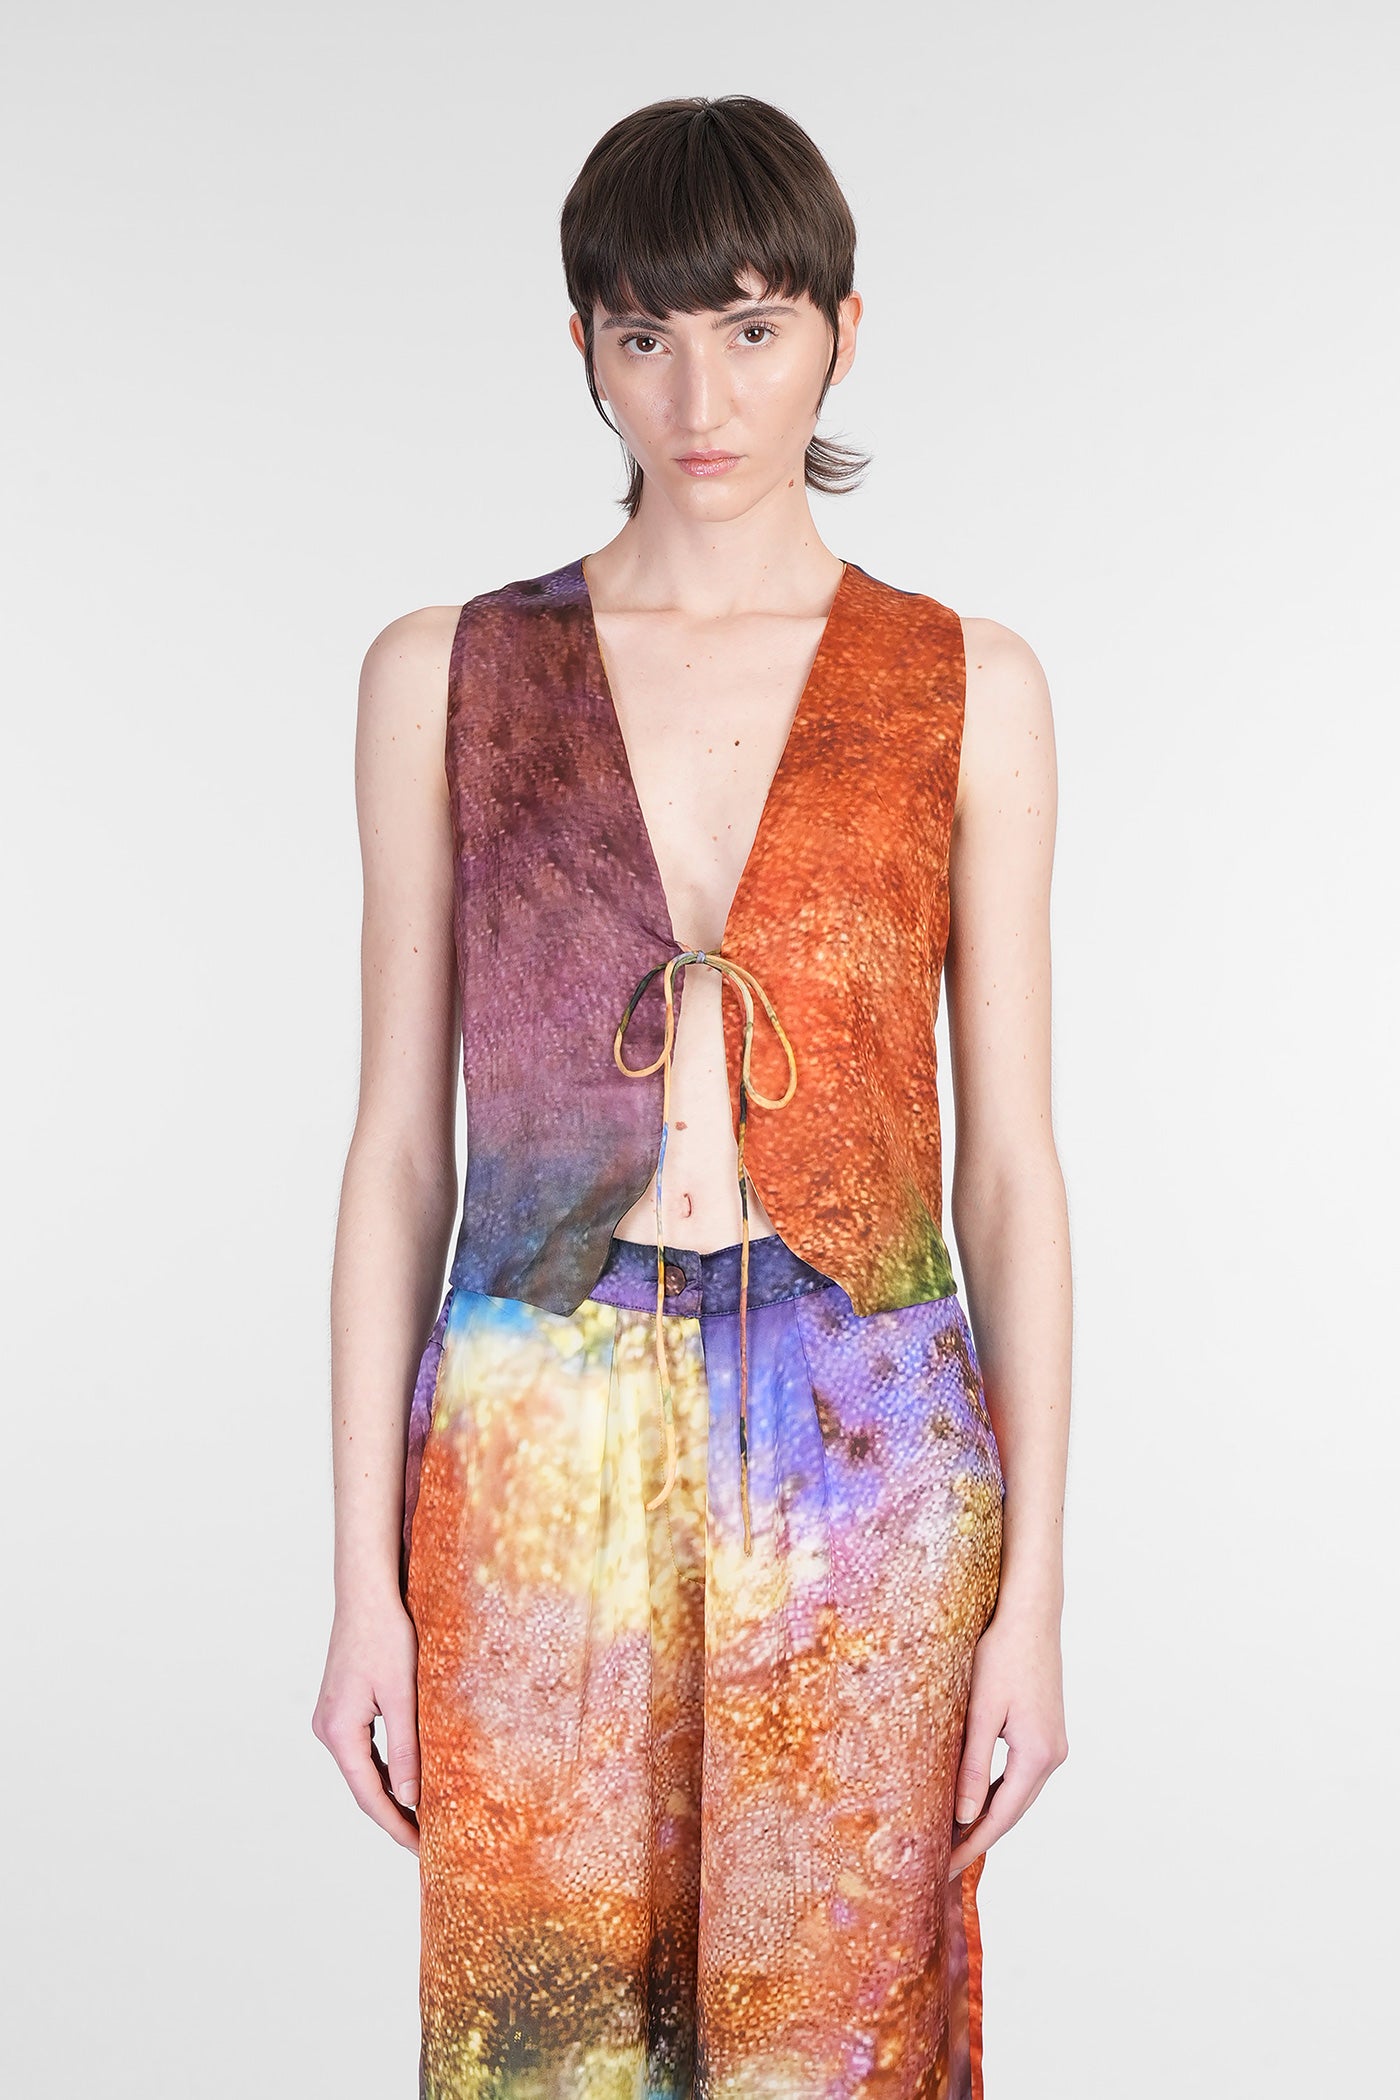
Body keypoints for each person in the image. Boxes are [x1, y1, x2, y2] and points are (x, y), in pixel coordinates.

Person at [313, 92, 1071, 2100]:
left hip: (866, 1426)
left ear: (839, 332)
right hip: (529, 1423)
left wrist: (1039, 1601)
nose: (698, 395)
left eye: (750, 328)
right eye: (644, 335)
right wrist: (361, 1587)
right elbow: (396, 1151)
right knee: (541, 2035)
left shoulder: (968, 684)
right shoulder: (446, 672)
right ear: (584, 347)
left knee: (838, 2034)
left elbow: (1008, 1166)